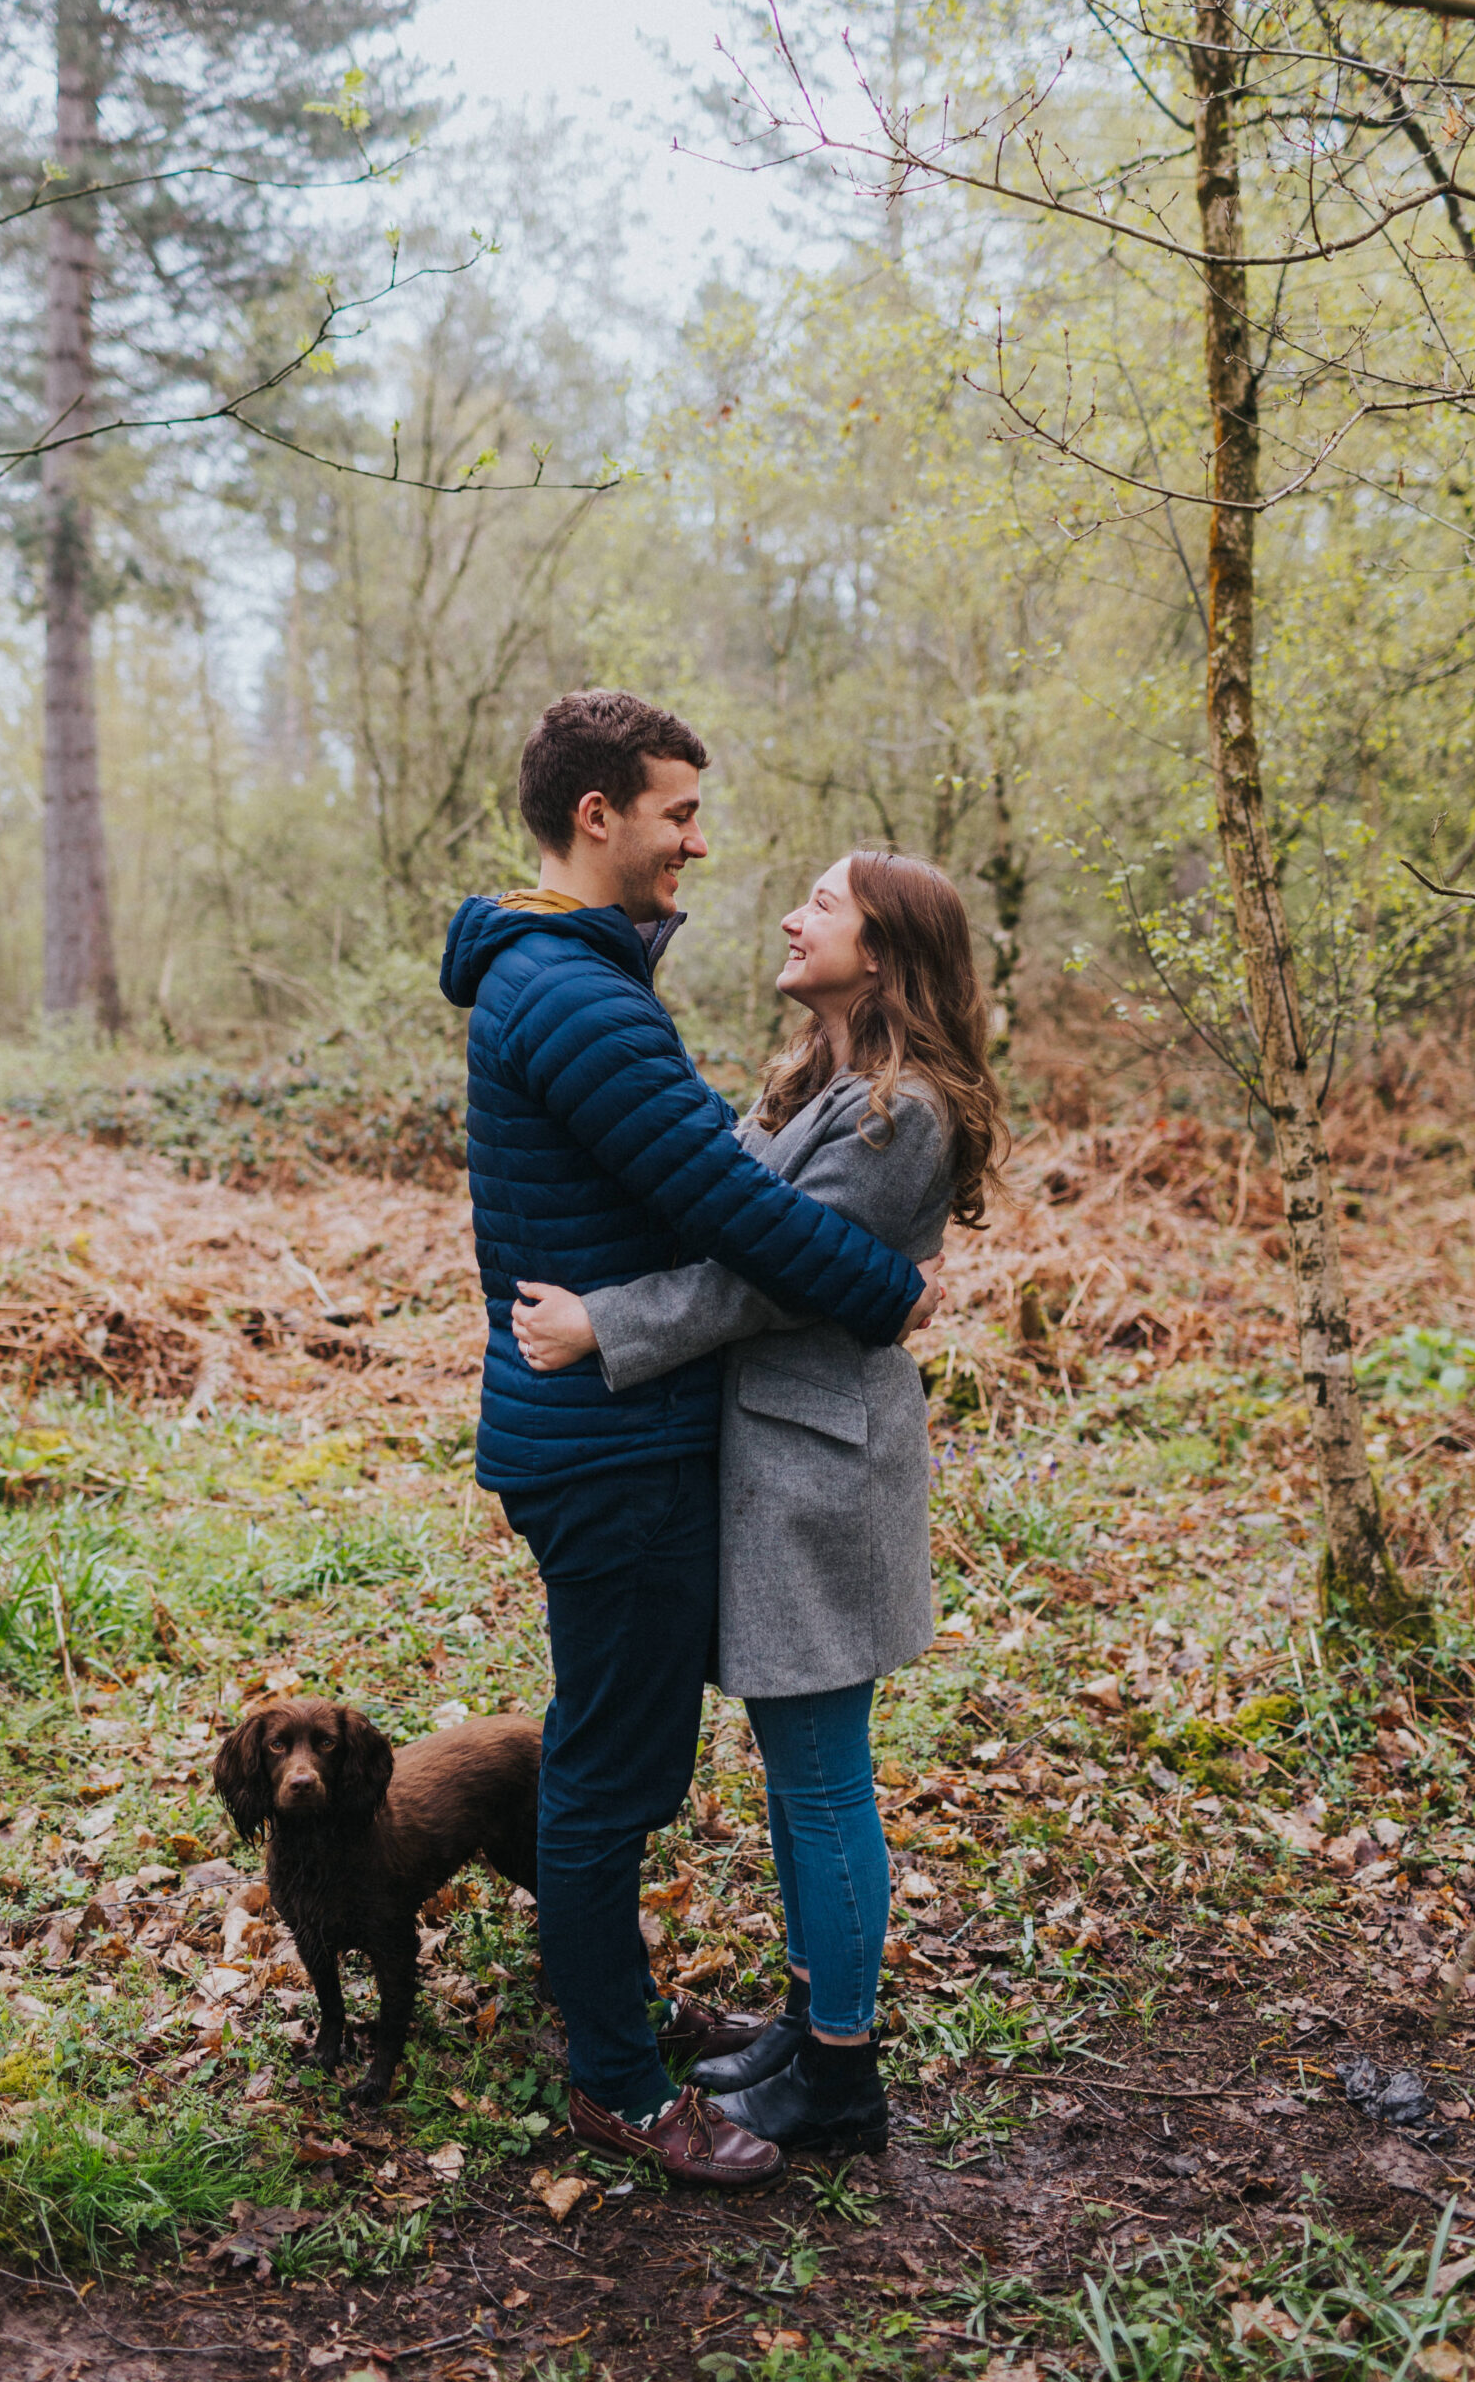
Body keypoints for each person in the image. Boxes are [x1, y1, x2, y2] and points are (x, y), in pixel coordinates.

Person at [440, 693, 942, 2189]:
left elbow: (704, 1184)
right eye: (675, 814)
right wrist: (889, 1290)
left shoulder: (572, 980)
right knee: (613, 1775)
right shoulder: (580, 1000)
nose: (699, 844)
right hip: (606, 1448)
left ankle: (647, 2024)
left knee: (625, 1762)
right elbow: (736, 1218)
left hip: (616, 1435)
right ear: (597, 816)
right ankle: (617, 2079)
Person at [513, 847, 1007, 2156]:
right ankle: (809, 2018)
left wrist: (602, 1325)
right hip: (775, 1463)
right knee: (799, 1779)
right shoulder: (819, 1082)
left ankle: (842, 2078)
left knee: (825, 1778)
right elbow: (712, 1212)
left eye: (825, 904)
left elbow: (763, 1280)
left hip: (822, 1472)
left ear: (887, 950)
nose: (793, 917)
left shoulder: (902, 1113)